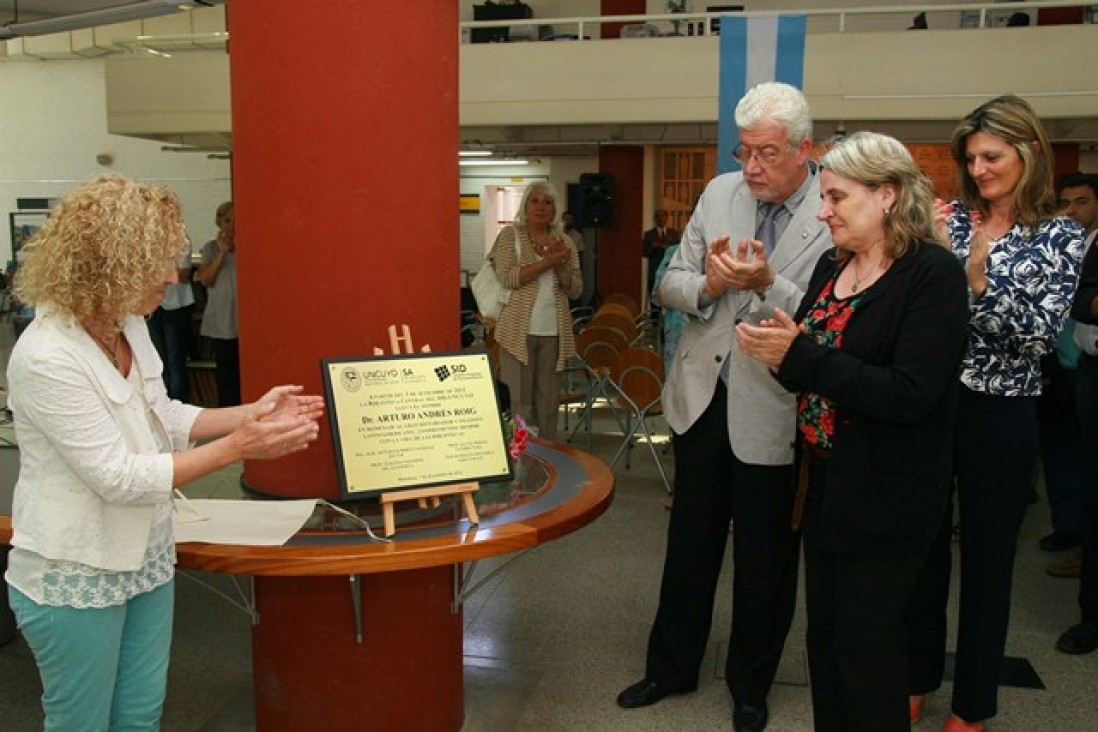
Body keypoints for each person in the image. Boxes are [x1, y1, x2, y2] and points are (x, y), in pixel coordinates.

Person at [4, 174, 324, 730]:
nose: (172, 278)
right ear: (108, 264)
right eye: (156, 262)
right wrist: (238, 447)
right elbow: (117, 477)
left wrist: (248, 414)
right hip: (75, 567)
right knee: (81, 722)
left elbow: (166, 418)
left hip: (144, 557)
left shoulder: (128, 325)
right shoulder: (47, 355)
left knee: (139, 716)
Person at [616, 82, 833, 732]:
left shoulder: (836, 206)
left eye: (768, 153)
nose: (754, 168)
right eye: (745, 152)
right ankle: (670, 667)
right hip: (701, 397)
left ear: (804, 149)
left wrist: (771, 284)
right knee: (690, 543)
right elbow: (667, 283)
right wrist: (709, 284)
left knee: (766, 558)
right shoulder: (719, 193)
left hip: (775, 405)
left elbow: (832, 317)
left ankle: (750, 685)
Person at [735, 131, 969, 731]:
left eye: (836, 197)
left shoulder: (931, 276)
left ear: (886, 195)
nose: (823, 211)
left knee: (868, 653)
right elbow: (811, 377)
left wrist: (800, 357)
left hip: (890, 495)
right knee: (828, 647)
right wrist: (780, 356)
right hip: (825, 486)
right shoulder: (829, 265)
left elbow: (911, 394)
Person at [907, 95, 1085, 732]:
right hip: (934, 405)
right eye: (971, 157)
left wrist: (979, 285)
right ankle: (916, 678)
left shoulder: (1061, 235)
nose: (979, 168)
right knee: (923, 552)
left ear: (1029, 153)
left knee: (988, 562)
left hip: (1003, 413)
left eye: (992, 156)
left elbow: (1037, 338)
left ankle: (973, 705)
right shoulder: (951, 223)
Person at [1038, 173, 1098, 568]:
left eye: (1082, 201)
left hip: (1087, 365)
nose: (1073, 211)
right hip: (1056, 364)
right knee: (1059, 450)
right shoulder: (1053, 246)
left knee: (1087, 458)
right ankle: (1068, 527)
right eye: (1067, 203)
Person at [492, 181, 582, 441]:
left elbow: (575, 289)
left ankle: (547, 466)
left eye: (547, 202)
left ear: (555, 209)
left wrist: (561, 267)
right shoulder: (510, 236)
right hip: (516, 333)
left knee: (548, 405)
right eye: (535, 201)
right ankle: (520, 466)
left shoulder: (564, 241)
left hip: (553, 333)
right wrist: (548, 262)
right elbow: (508, 278)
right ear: (525, 206)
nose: (541, 207)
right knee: (520, 404)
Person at [1056, 174, 1098, 655]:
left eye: (1081, 202)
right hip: (1088, 371)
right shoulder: (1078, 248)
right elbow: (1079, 299)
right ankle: (1091, 617)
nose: (1072, 211)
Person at [197, 201, 240, 407]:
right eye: (226, 220)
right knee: (226, 372)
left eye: (234, 220)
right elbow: (205, 279)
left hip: (244, 319)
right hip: (222, 320)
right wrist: (222, 252)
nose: (230, 225)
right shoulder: (210, 248)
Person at [146, 246, 195, 401]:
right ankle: (162, 401)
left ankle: (178, 403)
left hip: (176, 305)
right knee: (157, 358)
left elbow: (185, 274)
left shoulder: (180, 240)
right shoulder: (145, 239)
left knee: (175, 360)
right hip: (151, 306)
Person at [642, 209, 680, 300]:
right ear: (655, 219)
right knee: (654, 301)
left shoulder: (674, 234)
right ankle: (654, 314)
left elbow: (679, 251)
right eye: (658, 216)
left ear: (666, 218)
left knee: (671, 299)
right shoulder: (649, 234)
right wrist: (652, 247)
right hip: (654, 272)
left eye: (662, 216)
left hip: (670, 271)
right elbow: (644, 252)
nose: (660, 218)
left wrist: (669, 247)